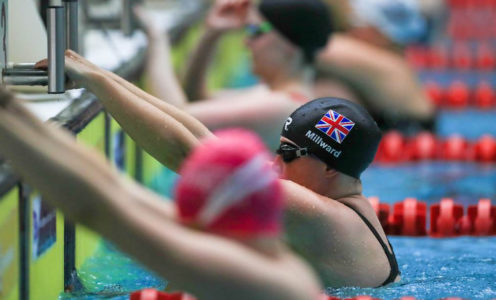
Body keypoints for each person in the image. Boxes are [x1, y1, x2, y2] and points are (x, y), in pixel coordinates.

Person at [36, 47, 400, 287]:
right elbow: (203, 137)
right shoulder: (341, 205)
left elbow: (189, 156)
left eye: (288, 155)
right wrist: (96, 74)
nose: (274, 164)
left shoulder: (319, 215)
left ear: (331, 168)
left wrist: (97, 84)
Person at [0, 91, 322, 300]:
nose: (183, 225)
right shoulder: (270, 255)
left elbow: (97, 210)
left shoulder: (260, 283)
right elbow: (113, 186)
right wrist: (10, 106)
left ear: (213, 216)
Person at [138, 0, 339, 151]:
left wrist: (157, 39)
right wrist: (211, 33)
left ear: (289, 44)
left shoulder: (284, 108)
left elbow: (176, 117)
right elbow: (197, 97)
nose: (246, 42)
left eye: (255, 31)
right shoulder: (277, 95)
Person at [317, 0, 436, 133]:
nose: (349, 31)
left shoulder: (390, 68)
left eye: (354, 24)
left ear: (377, 32)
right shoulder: (395, 65)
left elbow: (314, 46)